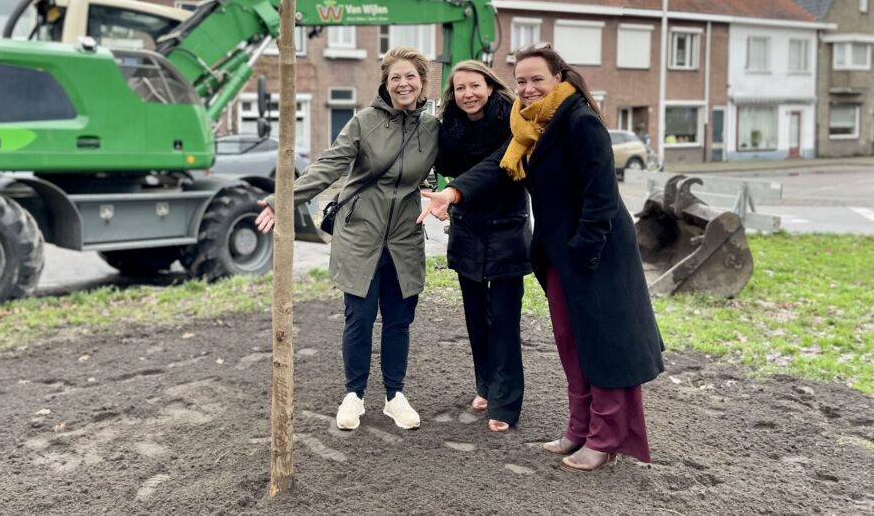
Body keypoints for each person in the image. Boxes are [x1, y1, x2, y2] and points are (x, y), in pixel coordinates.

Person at [418, 44, 664, 472]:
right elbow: (499, 167)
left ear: (559, 79)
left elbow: (602, 197)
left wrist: (584, 251)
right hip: (559, 253)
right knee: (571, 342)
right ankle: (578, 428)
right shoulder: (530, 128)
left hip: (594, 251)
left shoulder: (581, 121)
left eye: (537, 80)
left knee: (603, 344)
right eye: (522, 81)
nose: (528, 88)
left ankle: (604, 439)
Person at [256, 46, 439, 431]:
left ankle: (395, 396)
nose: (403, 84)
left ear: (422, 83)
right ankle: (353, 395)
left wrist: (454, 197)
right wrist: (281, 200)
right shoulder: (364, 123)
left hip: (405, 238)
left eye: (410, 77)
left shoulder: (432, 129)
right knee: (358, 319)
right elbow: (327, 167)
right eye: (395, 78)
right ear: (385, 84)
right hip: (359, 237)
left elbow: (463, 167)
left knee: (398, 322)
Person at [434, 60, 531, 434]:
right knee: (476, 315)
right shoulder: (452, 130)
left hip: (506, 228)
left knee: (505, 320)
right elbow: (436, 160)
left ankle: (507, 403)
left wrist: (454, 190)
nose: (468, 94)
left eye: (474, 85)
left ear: (490, 86)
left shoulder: (514, 122)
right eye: (460, 88)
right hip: (467, 227)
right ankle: (486, 385)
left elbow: (498, 165)